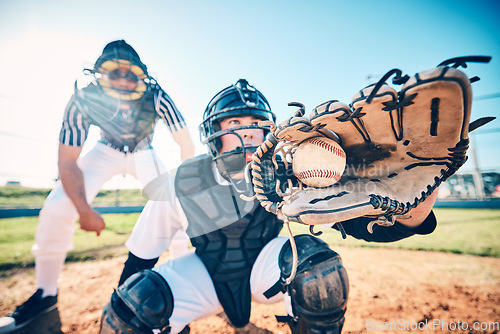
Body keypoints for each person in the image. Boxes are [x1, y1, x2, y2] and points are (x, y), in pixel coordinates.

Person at [99, 79, 439, 334]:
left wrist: (418, 203)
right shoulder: (183, 181)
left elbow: (366, 226)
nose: (248, 134)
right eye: (234, 124)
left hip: (268, 274)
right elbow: (141, 259)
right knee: (136, 303)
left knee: (317, 270)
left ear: (270, 133)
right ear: (213, 133)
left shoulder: (288, 173)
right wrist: (134, 312)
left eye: (258, 125)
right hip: (205, 274)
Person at [0, 40, 194, 333]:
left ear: (142, 76)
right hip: (106, 150)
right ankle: (45, 294)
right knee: (56, 207)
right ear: (98, 74)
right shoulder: (84, 98)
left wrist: (186, 187)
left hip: (144, 151)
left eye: (130, 74)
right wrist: (83, 209)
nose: (123, 80)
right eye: (113, 72)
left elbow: (185, 144)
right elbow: (67, 161)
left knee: (177, 210)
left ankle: (180, 292)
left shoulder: (156, 96)